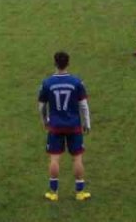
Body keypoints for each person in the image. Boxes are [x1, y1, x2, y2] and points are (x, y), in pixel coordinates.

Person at [38, 51, 91, 202]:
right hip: (74, 125)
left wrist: (44, 121)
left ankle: (53, 193)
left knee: (54, 159)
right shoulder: (76, 82)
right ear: (68, 63)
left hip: (55, 126)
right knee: (77, 158)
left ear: (55, 63)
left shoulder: (47, 83)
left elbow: (41, 106)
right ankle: (80, 193)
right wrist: (87, 123)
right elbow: (83, 105)